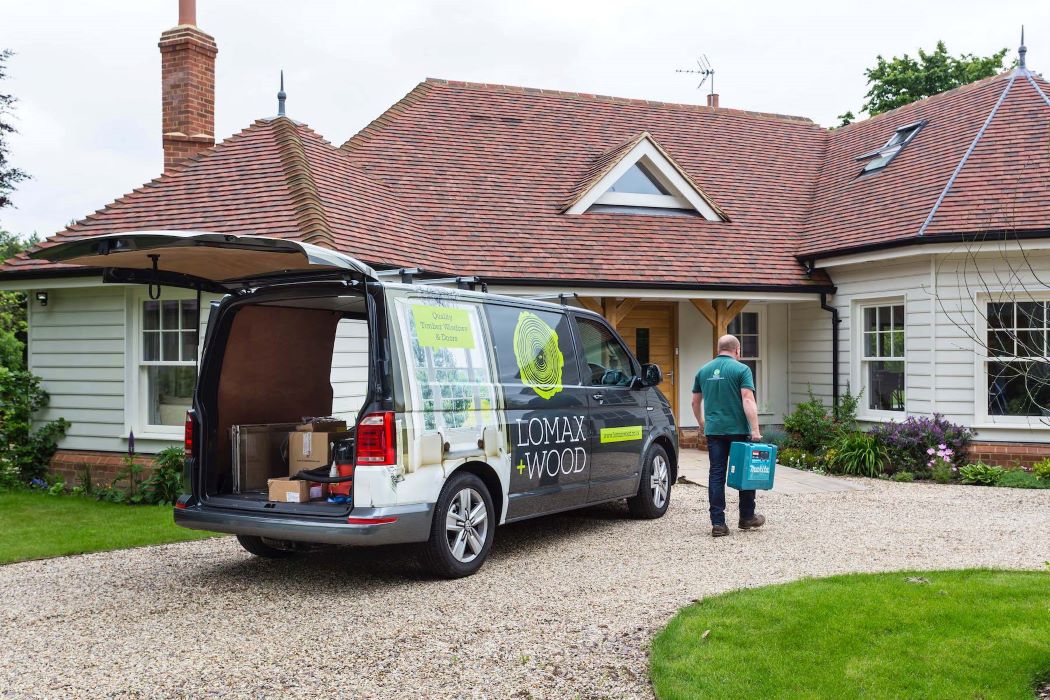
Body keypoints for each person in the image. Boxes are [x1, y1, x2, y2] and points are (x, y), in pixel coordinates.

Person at [691, 334, 765, 537]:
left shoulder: (703, 370)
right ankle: (747, 517)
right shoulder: (742, 369)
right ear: (737, 350)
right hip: (739, 431)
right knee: (745, 473)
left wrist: (701, 423)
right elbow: (748, 399)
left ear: (718, 349)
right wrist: (755, 430)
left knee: (716, 474)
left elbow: (695, 403)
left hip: (714, 431)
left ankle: (718, 524)